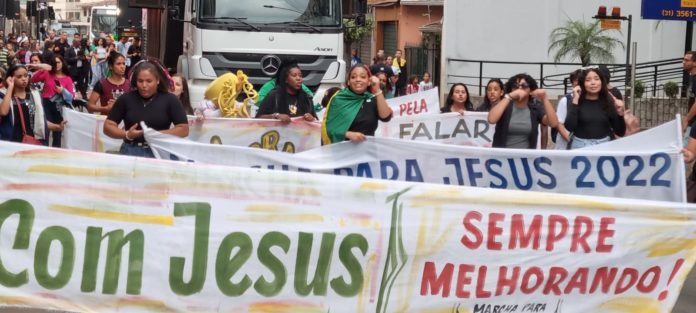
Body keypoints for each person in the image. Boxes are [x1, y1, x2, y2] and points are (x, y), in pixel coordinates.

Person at [104, 60, 189, 158]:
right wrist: (126, 134)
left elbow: (184, 129)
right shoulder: (125, 99)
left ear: (157, 80)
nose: (144, 85)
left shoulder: (170, 100)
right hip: (131, 151)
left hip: (160, 152)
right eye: (140, 81)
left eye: (149, 81)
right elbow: (108, 126)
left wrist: (155, 135)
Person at [322, 64, 393, 144]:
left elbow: (386, 117)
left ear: (369, 82)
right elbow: (329, 129)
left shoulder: (372, 99)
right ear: (348, 82)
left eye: (363, 77)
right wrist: (347, 134)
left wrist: (377, 90)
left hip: (368, 153)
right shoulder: (338, 99)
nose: (358, 79)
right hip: (343, 153)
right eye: (353, 77)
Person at [488, 73, 559, 149]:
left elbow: (553, 123)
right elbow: (491, 119)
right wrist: (509, 96)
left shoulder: (535, 108)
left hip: (525, 158)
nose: (519, 89)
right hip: (502, 157)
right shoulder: (505, 104)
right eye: (515, 86)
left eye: (524, 86)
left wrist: (544, 98)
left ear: (530, 90)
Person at [0, 65, 65, 144]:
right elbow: (3, 112)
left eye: (26, 75)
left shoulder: (35, 95)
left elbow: (40, 120)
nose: (24, 79)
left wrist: (57, 127)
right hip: (11, 142)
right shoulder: (4, 95)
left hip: (31, 141)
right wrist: (10, 87)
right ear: (11, 78)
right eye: (19, 76)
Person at [564, 68, 626, 149]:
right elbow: (569, 127)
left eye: (596, 79)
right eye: (588, 80)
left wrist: (620, 114)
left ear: (601, 82)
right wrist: (575, 100)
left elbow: (620, 132)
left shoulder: (608, 102)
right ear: (582, 83)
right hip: (580, 146)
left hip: (604, 146)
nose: (593, 83)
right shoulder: (576, 101)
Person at [553, 69, 582, 150]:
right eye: (576, 81)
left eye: (582, 80)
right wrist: (570, 141)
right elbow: (559, 124)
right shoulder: (565, 100)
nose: (579, 83)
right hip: (565, 146)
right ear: (572, 83)